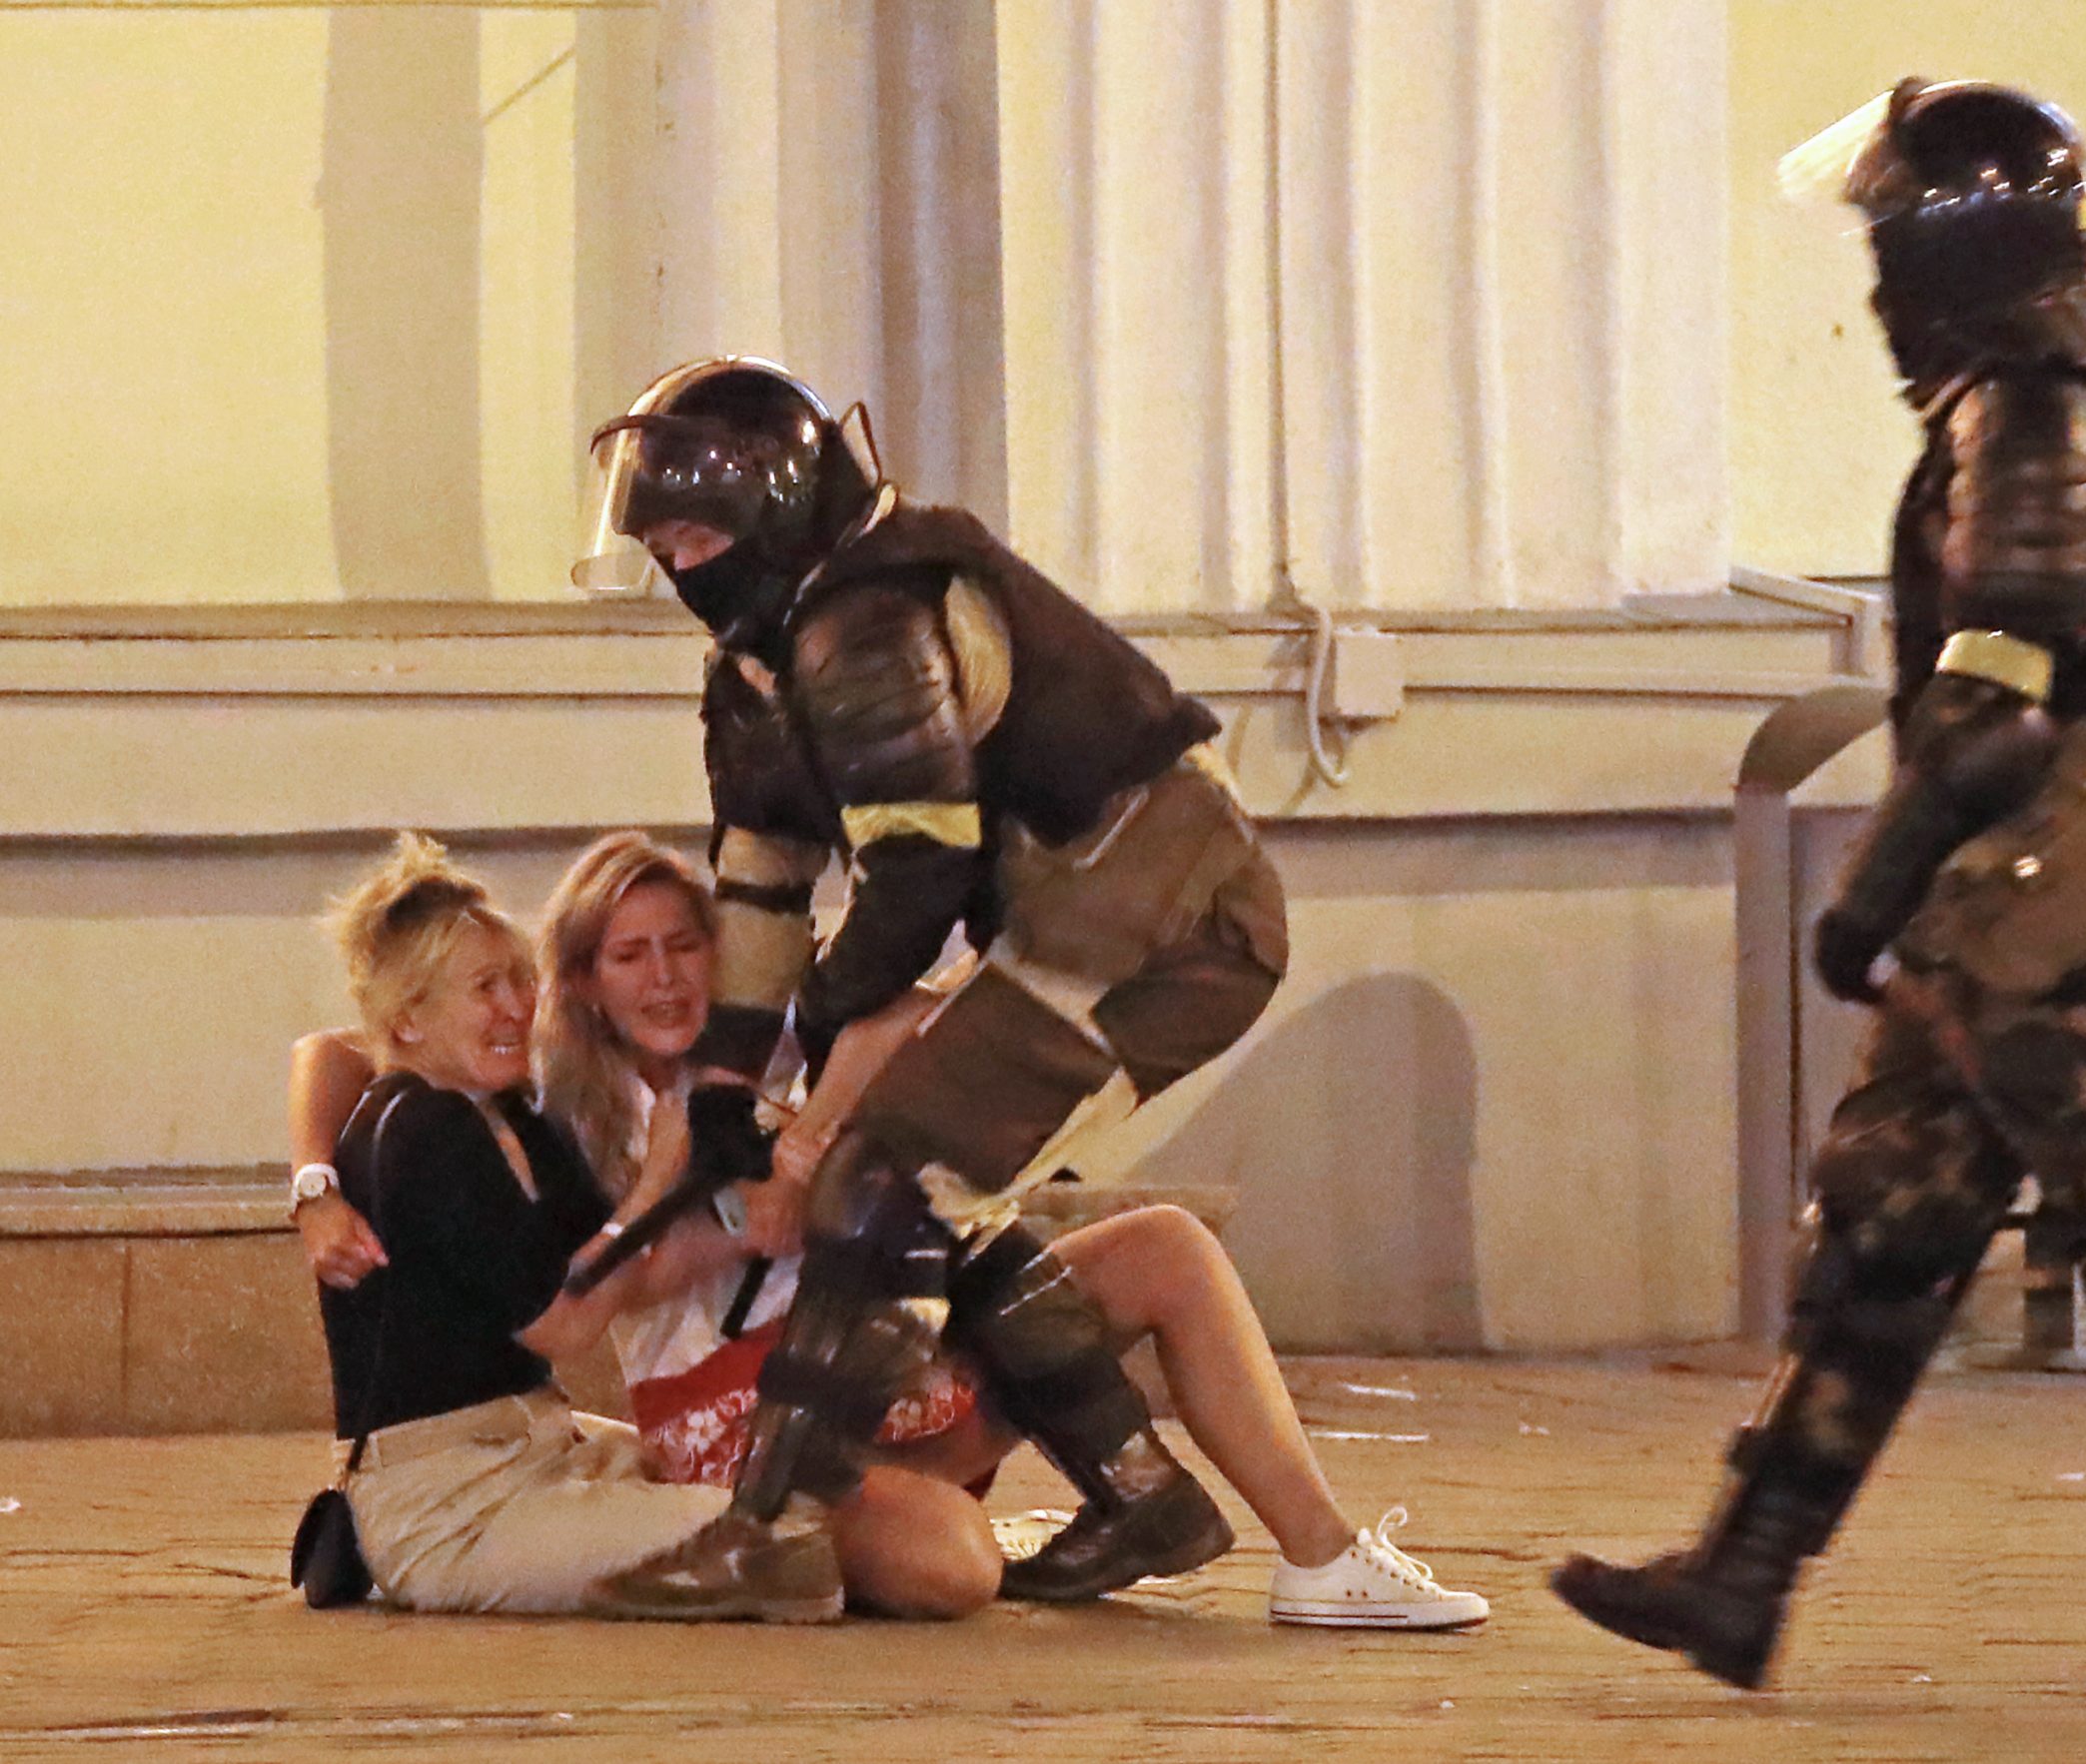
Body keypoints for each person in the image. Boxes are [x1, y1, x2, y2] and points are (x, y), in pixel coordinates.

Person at [1551, 81, 2086, 1707]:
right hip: (2009, 895)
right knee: (1892, 1219)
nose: (1872, 275)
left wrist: (1872, 889)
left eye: (1886, 233)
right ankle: (1741, 1577)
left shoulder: (2031, 415)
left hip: (2044, 888)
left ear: (1944, 250)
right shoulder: (2021, 405)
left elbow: (1997, 704)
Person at [294, 831, 1488, 1626]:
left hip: (861, 1361)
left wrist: (821, 1114)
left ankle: (1323, 1555)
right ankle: (990, 1509)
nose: (662, 977)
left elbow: (916, 1011)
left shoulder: (762, 1044)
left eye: (686, 944)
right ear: (588, 980)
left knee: (1159, 1245)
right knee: (952, 1560)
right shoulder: (560, 1088)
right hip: (733, 1411)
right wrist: (315, 1186)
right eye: (629, 954)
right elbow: (344, 1049)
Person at [571, 360, 1297, 1616]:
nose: (680, 565)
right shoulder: (765, 659)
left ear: (774, 506)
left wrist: (809, 1034)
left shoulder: (865, 617)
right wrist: (729, 1081)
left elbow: (917, 867)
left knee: (887, 1185)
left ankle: (773, 1527)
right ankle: (1140, 1490)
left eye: (695, 534)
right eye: (662, 542)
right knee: (924, 1191)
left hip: (1162, 915)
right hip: (1077, 915)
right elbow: (760, 884)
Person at [302, 833, 843, 1619]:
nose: (516, 1007)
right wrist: (655, 1183)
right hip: (450, 1501)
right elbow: (566, 1323)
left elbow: (625, 1268)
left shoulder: (509, 1114)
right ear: (410, 1018)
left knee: (778, 1490)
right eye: (484, 988)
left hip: (539, 1442)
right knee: (781, 1542)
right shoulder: (420, 1128)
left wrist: (752, 1221)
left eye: (519, 980)